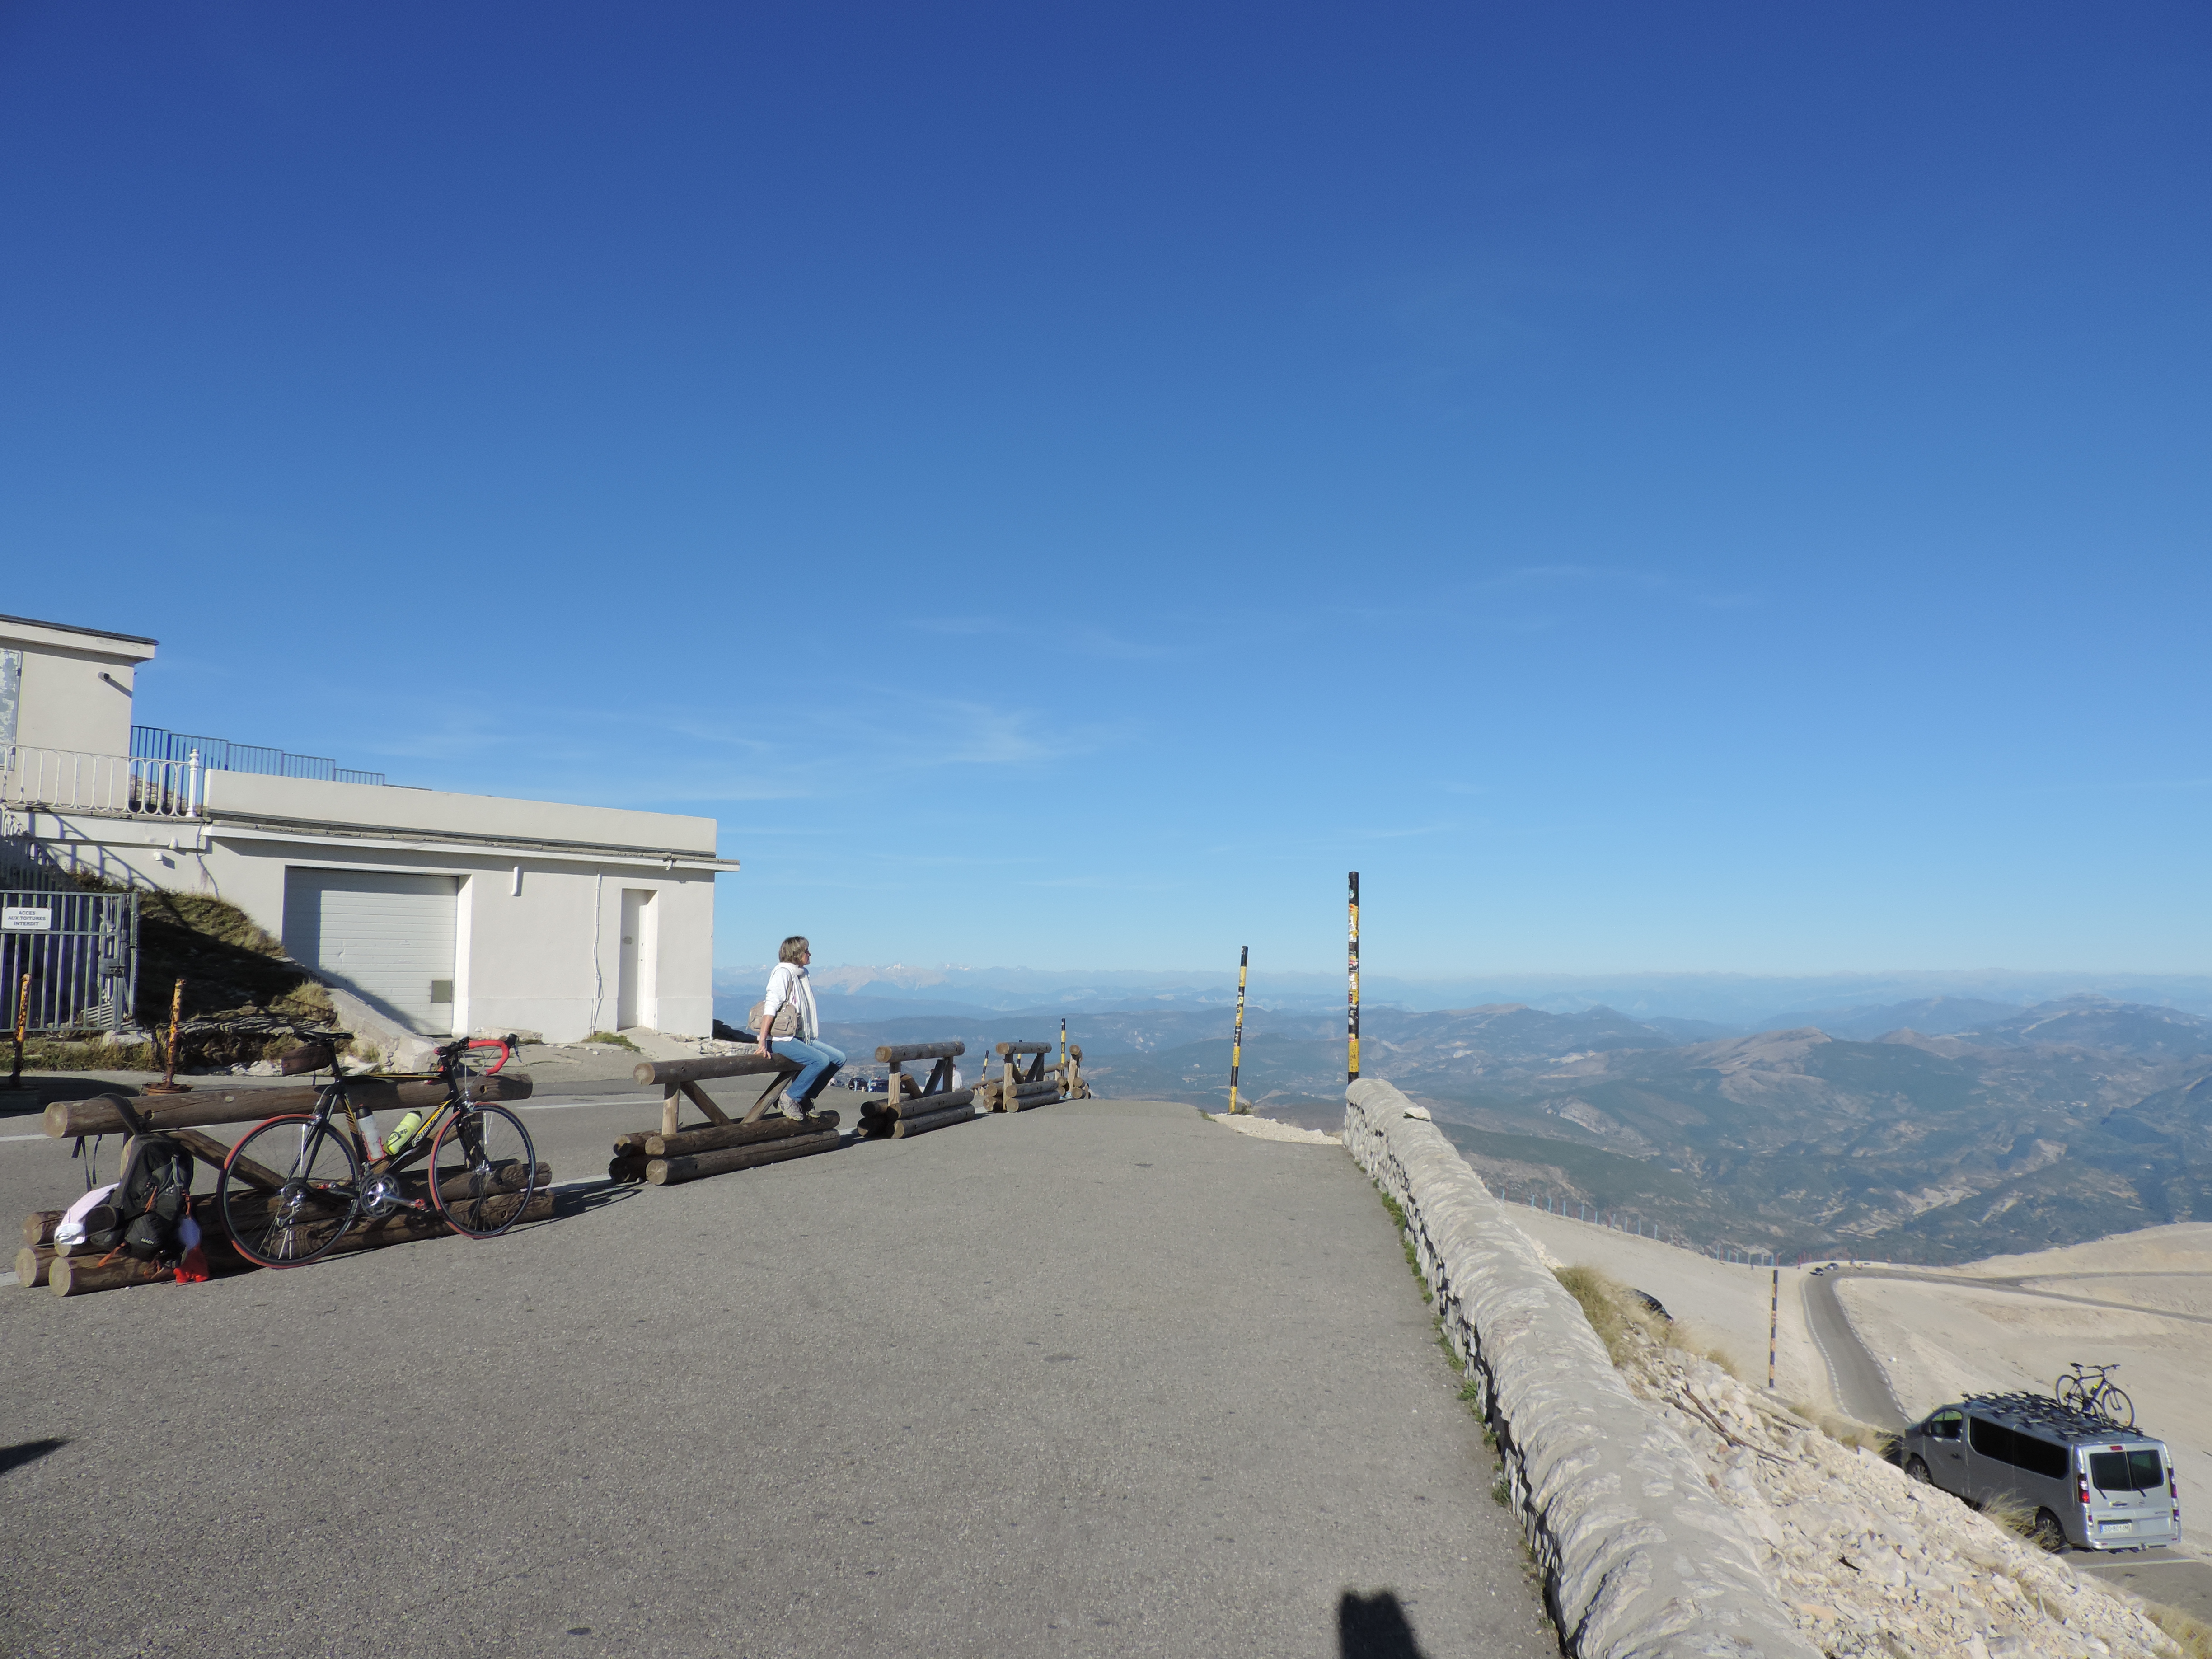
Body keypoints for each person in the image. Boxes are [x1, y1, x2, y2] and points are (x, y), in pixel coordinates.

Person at [756, 936, 842, 1119]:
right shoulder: (783, 973)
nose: (809, 954)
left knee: (838, 1059)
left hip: (801, 1037)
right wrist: (762, 1040)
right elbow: (770, 1006)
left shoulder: (801, 975)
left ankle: (805, 1098)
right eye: (806, 951)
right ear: (796, 954)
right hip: (781, 1039)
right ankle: (790, 1098)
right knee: (820, 1061)